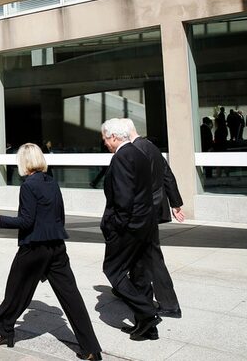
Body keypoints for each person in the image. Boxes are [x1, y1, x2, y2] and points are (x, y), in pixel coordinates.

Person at [0, 144, 101, 358]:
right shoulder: (51, 181)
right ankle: (91, 348)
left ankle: (4, 329)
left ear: (24, 162)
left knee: (16, 291)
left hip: (34, 247)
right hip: (57, 246)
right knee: (71, 297)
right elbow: (60, 216)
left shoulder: (28, 186)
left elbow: (26, 221)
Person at [99, 118, 159, 341]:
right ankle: (146, 327)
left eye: (105, 138)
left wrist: (116, 226)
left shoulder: (122, 157)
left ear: (114, 137)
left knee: (112, 270)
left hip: (129, 227)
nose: (105, 143)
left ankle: (147, 313)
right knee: (139, 272)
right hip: (145, 224)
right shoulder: (139, 153)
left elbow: (124, 198)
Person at [125, 120, 185, 319]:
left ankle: (169, 304)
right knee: (143, 255)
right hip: (153, 209)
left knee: (151, 257)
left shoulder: (135, 150)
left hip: (144, 212)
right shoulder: (150, 146)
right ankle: (136, 292)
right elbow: (167, 175)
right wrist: (176, 203)